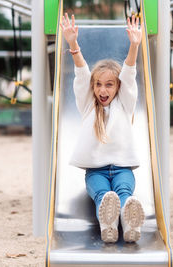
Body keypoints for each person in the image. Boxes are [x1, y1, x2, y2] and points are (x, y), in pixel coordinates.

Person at [60, 13, 145, 243]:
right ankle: (108, 224)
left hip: (123, 168)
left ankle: (129, 224)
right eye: (98, 84)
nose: (103, 90)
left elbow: (129, 73)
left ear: (118, 87)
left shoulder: (125, 104)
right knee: (103, 195)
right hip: (95, 171)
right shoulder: (88, 106)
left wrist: (134, 46)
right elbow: (81, 74)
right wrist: (73, 44)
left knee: (124, 194)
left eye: (109, 84)